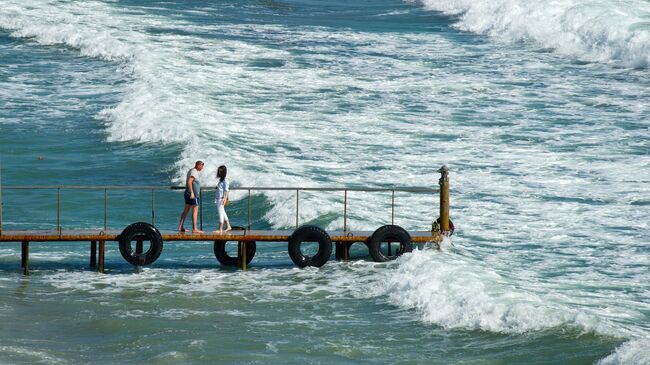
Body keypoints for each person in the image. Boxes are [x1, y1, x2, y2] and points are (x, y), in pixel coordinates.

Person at [178, 160, 204, 233]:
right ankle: (194, 228)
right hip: (192, 195)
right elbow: (189, 182)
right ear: (198, 165)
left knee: (186, 210)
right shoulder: (194, 171)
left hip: (188, 193)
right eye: (202, 165)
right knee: (195, 210)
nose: (202, 167)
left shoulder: (192, 171)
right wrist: (192, 193)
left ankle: (180, 226)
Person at [215, 165, 232, 233]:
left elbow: (227, 190)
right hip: (219, 198)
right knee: (223, 212)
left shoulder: (225, 180)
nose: (219, 173)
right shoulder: (221, 180)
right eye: (218, 171)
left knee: (220, 213)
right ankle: (228, 226)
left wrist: (225, 199)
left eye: (220, 171)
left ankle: (220, 229)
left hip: (221, 199)